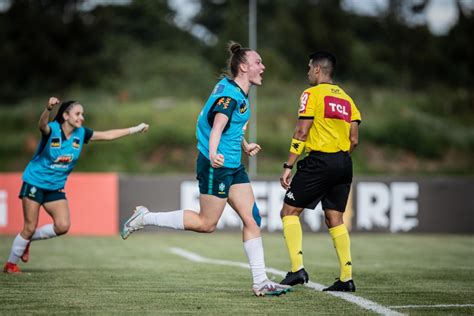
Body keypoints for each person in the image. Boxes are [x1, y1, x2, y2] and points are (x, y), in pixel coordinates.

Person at [120, 41, 292, 297]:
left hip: (234, 166)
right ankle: (144, 217)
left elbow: (226, 124)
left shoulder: (233, 88)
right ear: (244, 67)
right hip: (218, 165)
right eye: (258, 62)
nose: (263, 67)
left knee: (252, 219)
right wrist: (213, 154)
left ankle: (260, 282)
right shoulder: (230, 96)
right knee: (206, 223)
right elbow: (217, 126)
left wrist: (244, 145)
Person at [3, 97, 149, 274]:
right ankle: (10, 265)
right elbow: (42, 125)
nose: (82, 117)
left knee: (63, 226)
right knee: (29, 227)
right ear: (65, 115)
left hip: (55, 187)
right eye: (78, 114)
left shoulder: (81, 133)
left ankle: (26, 241)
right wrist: (48, 109)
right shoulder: (53, 130)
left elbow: (107, 135)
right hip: (35, 183)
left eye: (82, 114)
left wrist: (135, 129)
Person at [278, 51, 361, 292]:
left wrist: (288, 165)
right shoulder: (348, 100)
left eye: (308, 68)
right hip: (344, 163)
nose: (306, 73)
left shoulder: (311, 94)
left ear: (316, 70)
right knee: (335, 218)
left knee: (289, 212)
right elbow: (353, 139)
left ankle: (296, 270)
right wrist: (338, 160)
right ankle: (346, 278)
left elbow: (301, 132)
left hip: (319, 161)